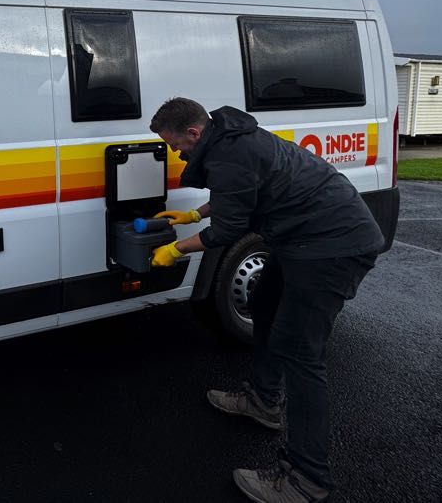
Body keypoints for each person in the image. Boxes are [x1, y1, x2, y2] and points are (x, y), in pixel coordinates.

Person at [147, 97, 384, 503]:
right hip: (302, 239)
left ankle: (307, 479)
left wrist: (176, 249)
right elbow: (240, 192)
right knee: (263, 307)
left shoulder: (230, 150)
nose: (176, 153)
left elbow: (229, 228)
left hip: (331, 246)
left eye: (175, 145)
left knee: (301, 356)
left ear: (194, 132)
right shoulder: (229, 139)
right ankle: (263, 401)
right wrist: (193, 215)